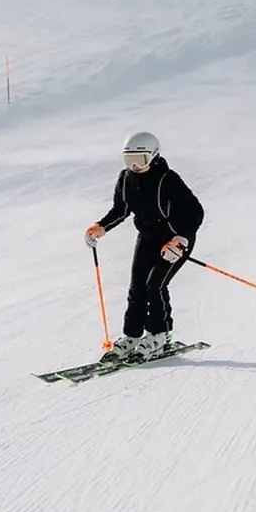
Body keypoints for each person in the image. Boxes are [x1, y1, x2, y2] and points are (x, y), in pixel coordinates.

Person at [85, 131, 204, 359]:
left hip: (175, 241)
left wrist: (181, 240)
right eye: (129, 160)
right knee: (137, 286)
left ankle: (159, 335)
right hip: (148, 237)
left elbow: (195, 213)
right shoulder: (126, 178)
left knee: (155, 285)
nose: (135, 166)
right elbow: (121, 209)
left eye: (140, 160)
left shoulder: (168, 179)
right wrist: (101, 226)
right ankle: (132, 336)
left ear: (154, 156)